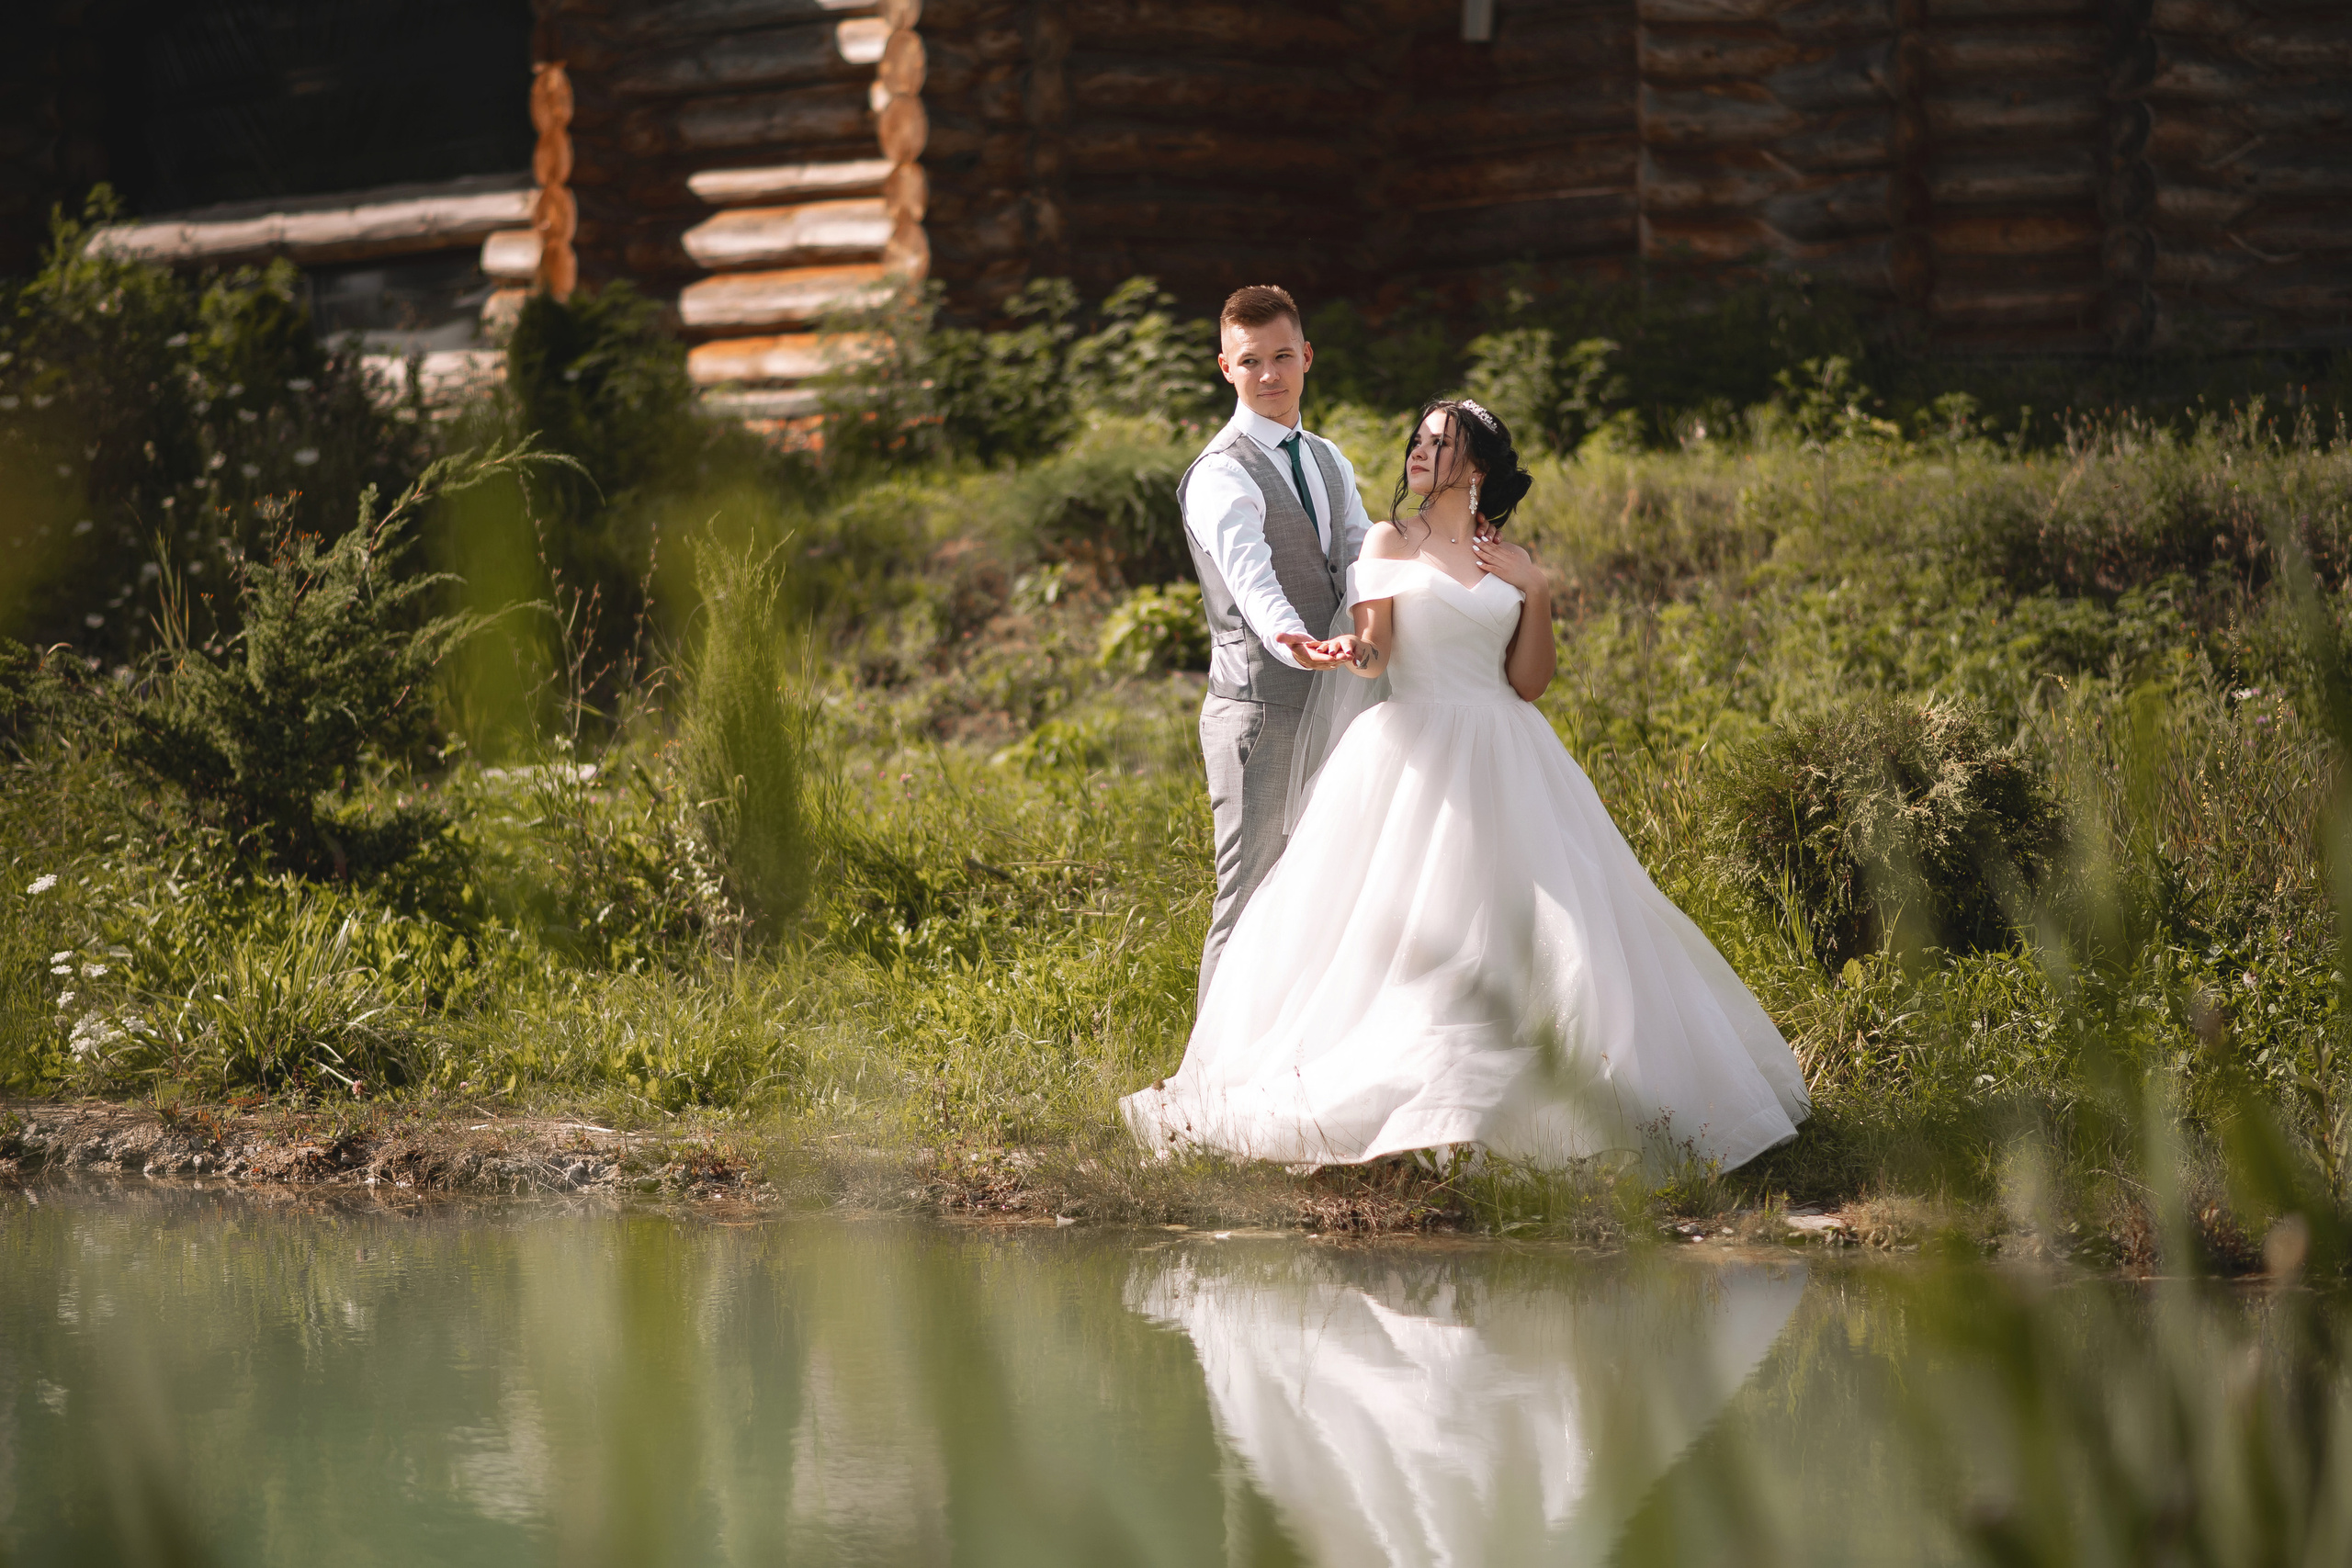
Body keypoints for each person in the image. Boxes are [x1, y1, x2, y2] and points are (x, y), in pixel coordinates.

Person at [1125, 399, 1810, 1171]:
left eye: (1440, 442)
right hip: (1412, 749)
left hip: (1509, 750)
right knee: (1408, 929)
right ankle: (1417, 1101)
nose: (1419, 450)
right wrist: (1349, 646)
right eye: (1416, 437)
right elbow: (1379, 653)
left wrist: (1538, 589)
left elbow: (1529, 682)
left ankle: (1547, 1102)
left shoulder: (1507, 558)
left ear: (1477, 468)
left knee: (1560, 930)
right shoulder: (1388, 540)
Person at [1179, 284, 1377, 1000]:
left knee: (1316, 891)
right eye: (1251, 360)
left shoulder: (1328, 458)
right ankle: (1203, 1084)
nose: (1270, 374)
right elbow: (1253, 580)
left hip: (1334, 705)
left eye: (1282, 356)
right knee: (1248, 892)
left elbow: (1359, 557)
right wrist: (1297, 640)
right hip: (1260, 712)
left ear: (1307, 357)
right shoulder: (1221, 472)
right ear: (1226, 367)